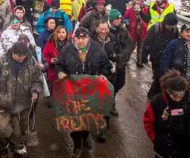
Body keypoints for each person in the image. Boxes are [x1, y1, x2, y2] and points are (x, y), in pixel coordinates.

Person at [56, 27, 112, 155]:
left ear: (88, 38)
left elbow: (107, 65)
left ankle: (85, 135)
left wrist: (103, 74)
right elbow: (59, 64)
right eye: (78, 38)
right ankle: (76, 143)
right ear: (74, 38)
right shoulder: (67, 49)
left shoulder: (97, 49)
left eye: (84, 38)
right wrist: (60, 72)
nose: (81, 41)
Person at [0, 42, 42, 158]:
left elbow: (38, 79)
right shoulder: (1, 60)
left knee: (19, 134)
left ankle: (17, 151)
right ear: (13, 52)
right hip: (4, 104)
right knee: (2, 130)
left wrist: (35, 91)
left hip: (23, 106)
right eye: (19, 56)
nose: (22, 58)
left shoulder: (32, 62)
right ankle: (3, 151)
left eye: (24, 56)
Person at [143, 70, 190, 158]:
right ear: (167, 90)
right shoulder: (157, 103)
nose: (178, 98)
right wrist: (156, 139)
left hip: (187, 148)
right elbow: (148, 123)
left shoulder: (189, 102)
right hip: (165, 149)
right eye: (174, 95)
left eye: (181, 94)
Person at [142, 13, 179, 99]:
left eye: (173, 26)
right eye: (170, 26)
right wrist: (144, 57)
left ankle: (158, 95)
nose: (171, 28)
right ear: (165, 23)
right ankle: (152, 95)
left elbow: (177, 44)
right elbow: (147, 43)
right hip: (156, 58)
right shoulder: (155, 28)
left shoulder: (175, 30)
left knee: (165, 77)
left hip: (168, 59)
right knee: (158, 77)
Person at [108, 10, 133, 115]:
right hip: (109, 64)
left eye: (119, 19)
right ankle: (110, 103)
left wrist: (122, 56)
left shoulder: (123, 30)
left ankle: (112, 95)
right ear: (111, 20)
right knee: (110, 84)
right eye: (116, 19)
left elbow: (129, 45)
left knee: (120, 83)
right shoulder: (106, 29)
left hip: (120, 63)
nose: (119, 21)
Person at [42, 25, 68, 107]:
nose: (61, 34)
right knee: (53, 92)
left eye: (63, 32)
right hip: (53, 71)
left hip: (66, 72)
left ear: (66, 34)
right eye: (59, 32)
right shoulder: (50, 43)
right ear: (56, 33)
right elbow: (44, 56)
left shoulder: (70, 44)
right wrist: (50, 61)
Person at [123, 0, 150, 68]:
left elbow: (147, 19)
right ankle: (125, 59)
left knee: (140, 48)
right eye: (136, 5)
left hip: (142, 33)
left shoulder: (145, 11)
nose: (137, 7)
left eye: (139, 5)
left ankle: (139, 62)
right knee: (131, 47)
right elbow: (124, 18)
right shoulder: (129, 10)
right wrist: (127, 22)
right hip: (132, 32)